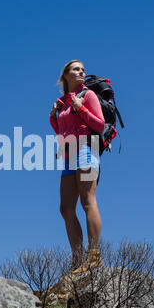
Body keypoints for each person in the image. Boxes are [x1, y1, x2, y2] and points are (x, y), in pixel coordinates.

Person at [49, 60, 105, 272]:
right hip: (68, 154)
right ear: (65, 75)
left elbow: (99, 125)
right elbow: (61, 132)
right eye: (76, 69)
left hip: (86, 150)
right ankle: (77, 259)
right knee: (65, 208)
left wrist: (81, 108)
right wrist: (53, 117)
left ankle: (94, 257)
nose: (81, 71)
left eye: (83, 69)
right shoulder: (62, 101)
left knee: (88, 202)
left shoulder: (87, 95)